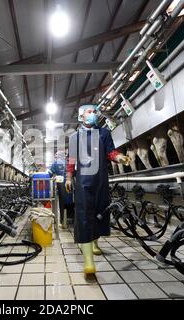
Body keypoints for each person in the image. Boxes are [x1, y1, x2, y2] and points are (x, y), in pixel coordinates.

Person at [65, 104, 130, 276]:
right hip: (84, 181)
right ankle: (88, 262)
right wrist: (69, 177)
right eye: (89, 112)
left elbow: (110, 152)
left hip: (101, 179)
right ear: (81, 116)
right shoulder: (74, 137)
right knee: (85, 214)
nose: (93, 114)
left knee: (101, 211)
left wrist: (119, 157)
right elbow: (71, 159)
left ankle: (95, 243)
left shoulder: (104, 133)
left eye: (94, 112)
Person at [48, 151, 75, 226]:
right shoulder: (71, 161)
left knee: (62, 203)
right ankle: (72, 220)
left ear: (58, 156)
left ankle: (63, 220)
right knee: (73, 202)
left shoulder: (55, 163)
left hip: (62, 186)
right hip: (72, 185)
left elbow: (49, 174)